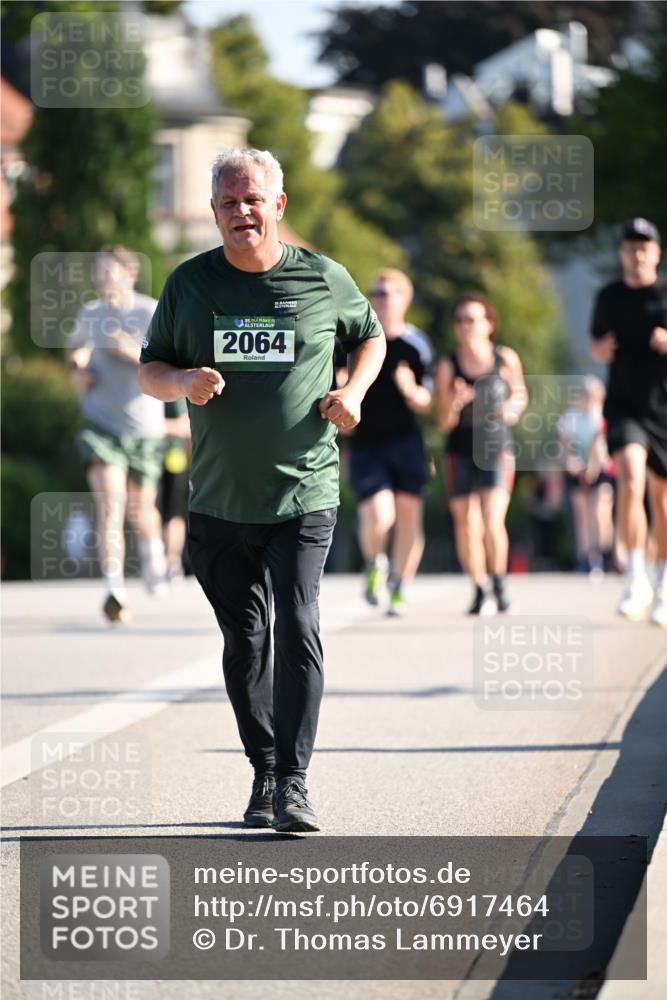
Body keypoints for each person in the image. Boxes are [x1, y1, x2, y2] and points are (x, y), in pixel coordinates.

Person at [139, 147, 385, 832]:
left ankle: (295, 783)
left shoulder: (322, 278)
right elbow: (150, 369)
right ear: (213, 211)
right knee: (246, 642)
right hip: (219, 501)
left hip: (304, 490)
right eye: (228, 202)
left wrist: (353, 391)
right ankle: (266, 771)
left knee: (298, 623)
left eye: (252, 199)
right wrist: (182, 382)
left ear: (277, 204)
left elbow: (370, 337)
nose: (240, 212)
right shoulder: (189, 285)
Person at [67, 246, 167, 625]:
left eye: (108, 271)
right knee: (111, 504)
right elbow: (75, 348)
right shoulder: (91, 313)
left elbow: (168, 360)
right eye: (98, 271)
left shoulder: (149, 311)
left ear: (129, 274)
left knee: (141, 511)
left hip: (143, 428)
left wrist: (131, 350)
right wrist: (77, 369)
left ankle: (153, 551)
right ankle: (114, 589)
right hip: (101, 425)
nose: (101, 277)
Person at [341, 268, 434, 616]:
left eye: (386, 293)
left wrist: (411, 390)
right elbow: (337, 387)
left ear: (404, 299)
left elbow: (428, 400)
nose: (379, 299)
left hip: (406, 441)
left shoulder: (416, 344)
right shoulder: (355, 341)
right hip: (366, 442)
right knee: (379, 515)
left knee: (409, 518)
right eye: (375, 293)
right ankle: (374, 563)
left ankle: (399, 585)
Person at [590, 218, 667, 626]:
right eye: (630, 248)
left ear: (656, 253)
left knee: (662, 498)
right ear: (621, 253)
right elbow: (596, 344)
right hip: (623, 405)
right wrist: (601, 349)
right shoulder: (609, 296)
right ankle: (635, 577)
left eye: (644, 247)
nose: (637, 254)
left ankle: (663, 582)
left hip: (663, 409)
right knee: (631, 480)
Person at [435, 293, 526, 614]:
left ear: (489, 324)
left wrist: (510, 408)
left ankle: (499, 584)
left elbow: (520, 395)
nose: (467, 326)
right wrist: (455, 403)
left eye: (473, 319)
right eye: (461, 320)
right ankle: (478, 587)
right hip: (459, 448)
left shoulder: (506, 358)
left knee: (492, 519)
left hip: (495, 445)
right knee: (466, 525)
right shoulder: (448, 366)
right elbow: (443, 423)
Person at [558, 376, 615, 578]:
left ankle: (603, 553)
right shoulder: (570, 416)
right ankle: (585, 558)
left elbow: (600, 445)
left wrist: (592, 466)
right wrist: (571, 463)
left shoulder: (602, 415)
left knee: (599, 512)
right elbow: (565, 445)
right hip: (576, 469)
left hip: (600, 468)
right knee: (581, 515)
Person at [157, 398, 191, 582]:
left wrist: (154, 425)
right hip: (148, 458)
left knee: (173, 514)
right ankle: (157, 561)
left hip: (173, 459)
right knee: (152, 511)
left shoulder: (174, 395)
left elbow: (186, 425)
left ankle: (173, 563)